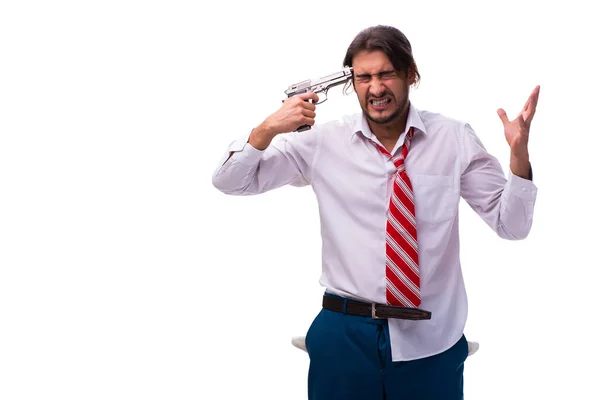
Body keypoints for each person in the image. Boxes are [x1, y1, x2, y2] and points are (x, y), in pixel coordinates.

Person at [211, 25, 539, 400]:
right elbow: (229, 181)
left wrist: (518, 158)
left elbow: (512, 225)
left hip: (432, 340)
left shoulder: (454, 139)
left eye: (386, 74)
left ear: (410, 75)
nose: (376, 88)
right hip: (343, 338)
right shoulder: (321, 143)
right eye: (364, 77)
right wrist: (268, 128)